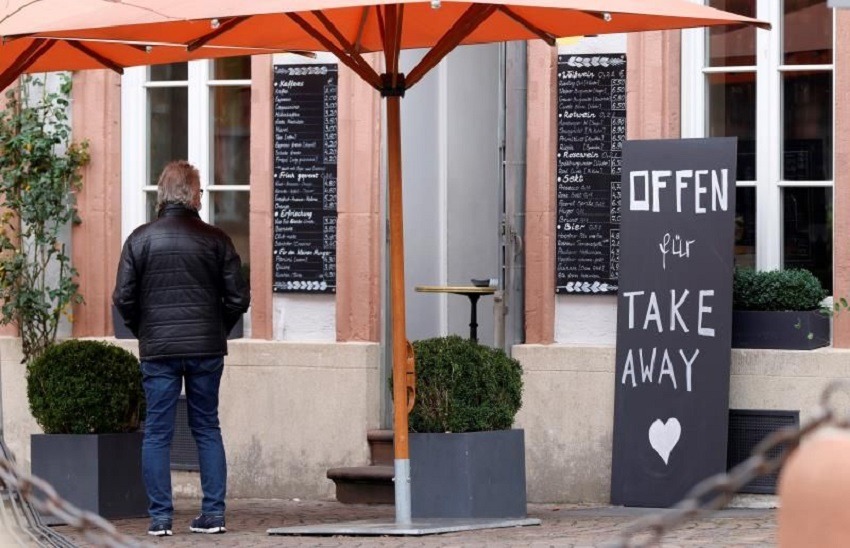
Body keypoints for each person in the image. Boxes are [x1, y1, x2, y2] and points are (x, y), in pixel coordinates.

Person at [113, 160, 250, 537]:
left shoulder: (140, 239)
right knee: (206, 426)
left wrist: (146, 329)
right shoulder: (216, 239)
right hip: (206, 347)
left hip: (159, 349)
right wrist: (215, 328)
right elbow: (238, 297)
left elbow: (122, 297)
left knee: (157, 432)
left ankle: (160, 518)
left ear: (162, 194)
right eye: (201, 191)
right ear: (192, 196)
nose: (203, 197)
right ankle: (214, 514)